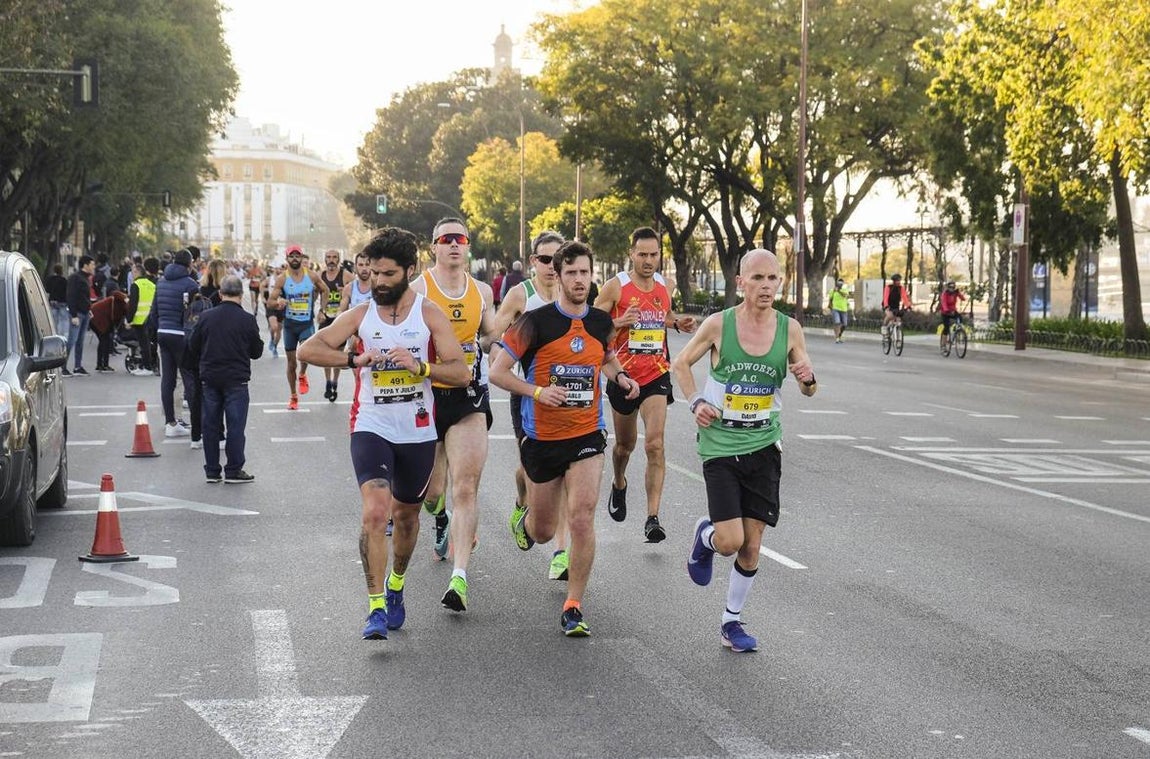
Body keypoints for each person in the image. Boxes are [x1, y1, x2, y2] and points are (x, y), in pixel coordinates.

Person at [297, 227, 470, 640]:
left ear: (410, 271)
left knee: (407, 517)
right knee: (376, 511)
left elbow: (460, 371)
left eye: (388, 274)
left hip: (417, 430)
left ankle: (396, 586)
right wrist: (355, 359)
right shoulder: (361, 315)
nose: (378, 282)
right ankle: (375, 606)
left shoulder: (429, 315)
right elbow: (308, 350)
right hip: (371, 424)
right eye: (373, 273)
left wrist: (421, 368)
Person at [489, 240, 639, 637]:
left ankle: (574, 604)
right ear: (557, 276)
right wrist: (537, 392)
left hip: (587, 433)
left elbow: (605, 357)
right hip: (542, 438)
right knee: (542, 531)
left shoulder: (600, 323)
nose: (578, 280)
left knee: (582, 515)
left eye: (585, 273)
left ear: (593, 277)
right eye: (571, 272)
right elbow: (498, 372)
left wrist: (621, 377)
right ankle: (525, 509)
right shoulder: (534, 323)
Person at [670, 249, 817, 653]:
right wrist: (697, 401)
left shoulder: (790, 330)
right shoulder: (720, 325)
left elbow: (808, 385)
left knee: (752, 546)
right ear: (740, 282)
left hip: (765, 445)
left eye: (773, 279)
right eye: (757, 279)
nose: (766, 286)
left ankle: (730, 623)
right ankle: (706, 535)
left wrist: (807, 379)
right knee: (731, 541)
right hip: (720, 445)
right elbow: (680, 364)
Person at [409, 218, 495, 612]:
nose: (455, 245)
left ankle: (458, 578)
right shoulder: (418, 289)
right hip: (427, 396)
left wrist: (508, 340)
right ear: (434, 248)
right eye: (446, 239)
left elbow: (491, 333)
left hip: (468, 397)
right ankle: (441, 519)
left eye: (461, 239)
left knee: (465, 488)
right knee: (432, 491)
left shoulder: (480, 291)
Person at [593, 226, 697, 543]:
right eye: (643, 254)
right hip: (622, 376)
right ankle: (619, 482)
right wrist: (617, 322)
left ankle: (652, 517)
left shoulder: (664, 285)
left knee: (655, 444)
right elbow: (589, 325)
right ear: (632, 254)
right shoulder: (616, 287)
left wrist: (676, 321)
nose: (648, 260)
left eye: (653, 254)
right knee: (625, 446)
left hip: (656, 374)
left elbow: (661, 315)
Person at [486, 230, 571, 581]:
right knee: (531, 473)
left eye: (558, 259)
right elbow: (494, 336)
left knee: (566, 473)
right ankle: (522, 502)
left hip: (567, 395)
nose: (552, 266)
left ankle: (562, 553)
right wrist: (496, 354)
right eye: (544, 259)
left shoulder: (574, 293)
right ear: (533, 261)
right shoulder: (521, 295)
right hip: (527, 394)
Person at [185, 275, 263, 484]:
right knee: (236, 427)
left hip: (210, 378)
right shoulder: (247, 319)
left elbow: (193, 346)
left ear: (220, 294)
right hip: (236, 380)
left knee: (210, 425)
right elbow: (256, 352)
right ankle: (233, 469)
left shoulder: (206, 317)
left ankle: (212, 470)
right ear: (241, 294)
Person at [269, 245, 329, 410]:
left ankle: (302, 375)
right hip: (290, 325)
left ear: (302, 257)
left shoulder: (311, 275)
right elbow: (270, 302)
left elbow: (325, 290)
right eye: (291, 256)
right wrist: (278, 302)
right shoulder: (282, 278)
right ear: (287, 258)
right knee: (291, 363)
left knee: (305, 356)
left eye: (298, 256)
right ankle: (293, 396)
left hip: (306, 324)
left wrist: (322, 310)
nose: (295, 259)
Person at [154, 248, 200, 438]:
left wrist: (154, 332)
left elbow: (154, 311)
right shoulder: (190, 284)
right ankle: (198, 426)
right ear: (189, 264)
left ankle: (170, 423)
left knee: (168, 379)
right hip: (181, 335)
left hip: (163, 332)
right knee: (190, 378)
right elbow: (195, 313)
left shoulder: (161, 282)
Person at [318, 249, 348, 402]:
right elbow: (312, 294)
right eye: (328, 257)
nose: (331, 260)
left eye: (334, 257)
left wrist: (345, 293)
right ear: (324, 259)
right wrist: (319, 311)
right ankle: (328, 382)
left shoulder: (346, 276)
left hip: (340, 319)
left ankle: (335, 381)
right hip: (325, 318)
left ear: (338, 260)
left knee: (337, 353)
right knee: (325, 352)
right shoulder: (320, 276)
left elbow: (355, 291)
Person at [126, 257, 159, 375]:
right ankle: (146, 366)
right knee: (147, 344)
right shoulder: (151, 284)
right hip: (149, 318)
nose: (131, 274)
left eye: (132, 271)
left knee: (143, 344)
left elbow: (133, 304)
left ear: (137, 272)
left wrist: (128, 320)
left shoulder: (136, 285)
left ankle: (147, 368)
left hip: (138, 319)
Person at [65, 255, 96, 377]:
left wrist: (88, 309)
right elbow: (71, 296)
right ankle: (63, 367)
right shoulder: (75, 278)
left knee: (80, 341)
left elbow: (84, 297)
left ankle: (78, 366)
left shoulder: (86, 278)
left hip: (84, 313)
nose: (94, 267)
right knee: (71, 340)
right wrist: (73, 315)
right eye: (92, 264)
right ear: (86, 265)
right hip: (77, 314)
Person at [90, 289, 128, 372]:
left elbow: (117, 320)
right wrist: (126, 298)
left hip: (96, 317)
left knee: (104, 341)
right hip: (98, 318)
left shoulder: (123, 306)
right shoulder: (123, 301)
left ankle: (101, 364)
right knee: (105, 341)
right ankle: (103, 365)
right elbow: (114, 292)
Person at [263, 264, 284, 357]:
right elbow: (261, 285)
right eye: (277, 268)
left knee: (279, 329)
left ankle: (275, 346)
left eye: (281, 268)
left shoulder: (285, 279)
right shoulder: (269, 279)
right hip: (271, 305)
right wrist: (263, 297)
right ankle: (272, 339)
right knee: (274, 326)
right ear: (274, 269)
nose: (279, 270)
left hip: (281, 307)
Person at [45, 264, 69, 338]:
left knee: (54, 320)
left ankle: (54, 334)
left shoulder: (50, 279)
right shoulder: (64, 280)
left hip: (53, 301)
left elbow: (47, 290)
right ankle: (62, 335)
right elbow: (67, 291)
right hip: (62, 302)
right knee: (63, 319)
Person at [828, 278, 851, 343]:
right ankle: (837, 338)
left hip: (844, 309)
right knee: (837, 323)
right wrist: (829, 306)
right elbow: (830, 298)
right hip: (835, 309)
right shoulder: (833, 290)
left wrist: (838, 291)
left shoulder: (845, 289)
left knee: (844, 324)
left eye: (841, 283)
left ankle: (839, 335)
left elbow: (845, 295)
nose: (840, 284)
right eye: (839, 283)